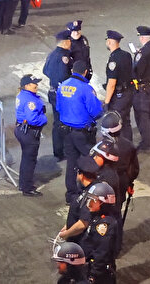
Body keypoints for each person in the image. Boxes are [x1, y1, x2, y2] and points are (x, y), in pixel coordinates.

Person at [56, 64, 104, 201]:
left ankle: (71, 195)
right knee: (90, 161)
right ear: (85, 72)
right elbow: (96, 111)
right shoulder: (86, 88)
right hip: (83, 133)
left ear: (72, 71)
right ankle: (89, 192)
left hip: (66, 131)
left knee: (71, 163)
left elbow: (58, 107)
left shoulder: (62, 85)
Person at [79, 182, 121, 284]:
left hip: (99, 273)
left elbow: (102, 252)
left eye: (93, 200)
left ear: (104, 203)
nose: (89, 203)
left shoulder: (104, 225)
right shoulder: (96, 217)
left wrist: (94, 274)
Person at [14, 74, 48, 196]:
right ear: (27, 85)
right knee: (30, 161)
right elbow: (33, 119)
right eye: (34, 83)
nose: (36, 85)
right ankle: (27, 188)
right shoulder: (30, 100)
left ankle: (23, 184)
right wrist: (44, 119)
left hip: (21, 130)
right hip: (29, 132)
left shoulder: (22, 95)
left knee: (26, 159)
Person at [43, 30, 72, 161]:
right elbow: (64, 76)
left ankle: (58, 150)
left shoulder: (52, 54)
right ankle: (63, 150)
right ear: (65, 42)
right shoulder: (64, 57)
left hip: (53, 91)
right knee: (63, 123)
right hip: (62, 94)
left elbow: (45, 70)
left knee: (57, 122)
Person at [102, 30, 134, 146]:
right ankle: (129, 146)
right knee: (126, 121)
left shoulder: (113, 60)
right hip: (128, 93)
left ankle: (120, 148)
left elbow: (111, 84)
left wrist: (106, 102)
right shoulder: (126, 55)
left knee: (117, 122)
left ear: (110, 42)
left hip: (119, 96)